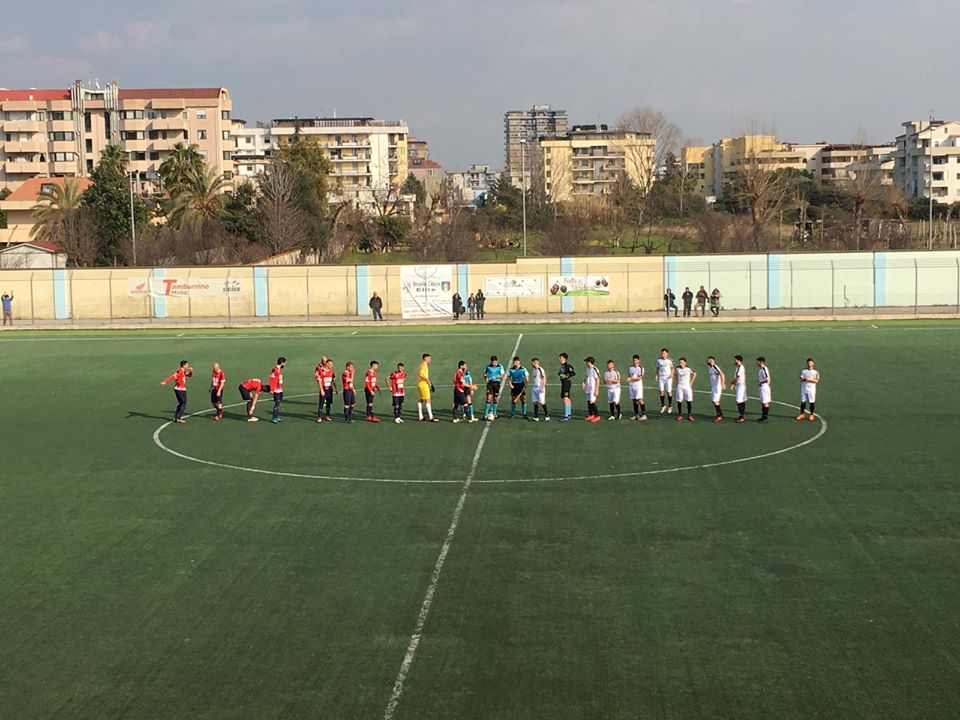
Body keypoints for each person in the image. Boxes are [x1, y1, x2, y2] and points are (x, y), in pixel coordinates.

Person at [161, 360, 193, 424]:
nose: (188, 366)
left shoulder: (182, 370)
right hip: (180, 389)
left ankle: (176, 417)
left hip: (178, 389)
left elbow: (189, 376)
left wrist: (191, 371)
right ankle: (178, 418)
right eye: (187, 365)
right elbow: (173, 376)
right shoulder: (180, 371)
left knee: (181, 403)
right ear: (184, 365)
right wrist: (165, 381)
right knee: (183, 403)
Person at [417, 353, 439, 422]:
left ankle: (420, 416)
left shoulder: (422, 364)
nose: (430, 360)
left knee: (420, 399)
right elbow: (421, 374)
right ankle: (431, 417)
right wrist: (429, 382)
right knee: (428, 399)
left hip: (420, 383)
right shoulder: (424, 365)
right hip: (423, 384)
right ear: (425, 358)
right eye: (429, 358)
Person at [314, 357, 336, 422]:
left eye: (332, 364)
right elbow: (319, 381)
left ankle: (327, 416)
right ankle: (319, 417)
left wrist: (335, 388)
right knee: (321, 403)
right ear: (327, 364)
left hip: (330, 389)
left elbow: (333, 380)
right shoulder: (321, 370)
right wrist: (321, 390)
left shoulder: (331, 371)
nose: (332, 365)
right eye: (330, 364)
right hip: (324, 389)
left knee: (329, 403)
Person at [674, 357, 696, 422]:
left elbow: (694, 374)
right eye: (680, 362)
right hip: (680, 386)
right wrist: (677, 381)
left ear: (685, 362)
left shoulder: (688, 368)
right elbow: (675, 374)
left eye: (682, 362)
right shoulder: (677, 368)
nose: (681, 363)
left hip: (687, 386)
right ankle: (680, 415)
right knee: (679, 400)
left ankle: (689, 415)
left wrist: (691, 382)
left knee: (688, 400)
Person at [483, 355, 504, 420]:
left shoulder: (500, 366)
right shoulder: (488, 366)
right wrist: (486, 378)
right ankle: (485, 415)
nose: (494, 363)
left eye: (495, 362)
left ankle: (494, 414)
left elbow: (502, 375)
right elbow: (485, 373)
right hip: (490, 383)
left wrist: (497, 377)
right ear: (491, 361)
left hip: (497, 383)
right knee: (489, 398)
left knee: (495, 398)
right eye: (493, 362)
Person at [627, 355, 647, 421]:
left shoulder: (641, 368)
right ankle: (636, 415)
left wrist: (631, 378)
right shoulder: (630, 368)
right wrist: (630, 379)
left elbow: (640, 378)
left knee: (640, 400)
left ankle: (644, 415)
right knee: (634, 400)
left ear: (638, 360)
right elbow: (629, 375)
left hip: (638, 386)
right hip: (632, 386)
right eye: (634, 360)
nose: (635, 361)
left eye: (636, 360)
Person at [706, 356, 726, 422]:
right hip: (713, 386)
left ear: (714, 361)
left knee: (715, 401)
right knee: (714, 400)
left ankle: (719, 416)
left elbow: (722, 374)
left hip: (717, 386)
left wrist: (723, 384)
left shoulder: (715, 367)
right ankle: (720, 414)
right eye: (709, 360)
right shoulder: (710, 368)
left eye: (711, 361)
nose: (709, 362)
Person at [529, 357, 549, 422]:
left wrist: (542, 387)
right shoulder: (534, 370)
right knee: (535, 402)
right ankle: (536, 416)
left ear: (535, 363)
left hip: (540, 388)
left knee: (542, 402)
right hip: (534, 387)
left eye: (532, 363)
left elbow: (544, 378)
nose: (531, 364)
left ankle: (547, 415)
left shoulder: (540, 369)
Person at [557, 352, 576, 422]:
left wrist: (566, 376)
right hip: (564, 383)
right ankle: (569, 414)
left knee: (565, 398)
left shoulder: (567, 366)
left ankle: (566, 416)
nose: (560, 359)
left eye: (561, 358)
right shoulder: (562, 366)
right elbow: (560, 373)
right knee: (567, 398)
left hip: (566, 383)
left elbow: (573, 373)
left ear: (564, 358)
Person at [656, 348, 675, 414]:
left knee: (669, 391)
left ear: (667, 354)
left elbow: (673, 368)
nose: (662, 354)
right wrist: (656, 375)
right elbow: (657, 368)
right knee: (661, 391)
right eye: (662, 353)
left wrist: (672, 374)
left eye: (664, 353)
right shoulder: (658, 360)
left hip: (668, 377)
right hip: (661, 377)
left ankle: (670, 406)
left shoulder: (670, 360)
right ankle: (663, 406)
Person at [582, 357, 601, 422]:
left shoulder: (595, 369)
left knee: (592, 402)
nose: (586, 363)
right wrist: (583, 382)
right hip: (588, 387)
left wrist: (596, 390)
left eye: (587, 362)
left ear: (590, 362)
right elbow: (586, 377)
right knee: (588, 401)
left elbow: (597, 379)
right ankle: (591, 415)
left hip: (593, 388)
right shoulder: (587, 369)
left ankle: (597, 416)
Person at [729, 355, 747, 423]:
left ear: (739, 360)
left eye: (735, 360)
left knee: (739, 401)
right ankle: (742, 415)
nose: (734, 361)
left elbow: (737, 377)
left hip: (740, 386)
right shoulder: (738, 367)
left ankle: (741, 417)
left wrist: (732, 383)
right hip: (739, 385)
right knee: (742, 400)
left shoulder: (740, 367)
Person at [269, 357, 286, 423]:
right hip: (276, 389)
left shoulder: (279, 369)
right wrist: (272, 389)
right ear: (282, 363)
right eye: (284, 363)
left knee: (279, 403)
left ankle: (277, 416)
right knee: (277, 402)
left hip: (280, 389)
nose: (284, 364)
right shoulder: (275, 370)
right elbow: (272, 380)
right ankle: (274, 418)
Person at [756, 356, 771, 422]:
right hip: (762, 387)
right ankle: (763, 416)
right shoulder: (761, 369)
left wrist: (760, 382)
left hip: (764, 387)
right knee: (763, 402)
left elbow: (767, 379)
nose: (757, 363)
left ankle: (765, 417)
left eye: (758, 362)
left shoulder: (764, 369)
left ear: (761, 362)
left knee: (765, 402)